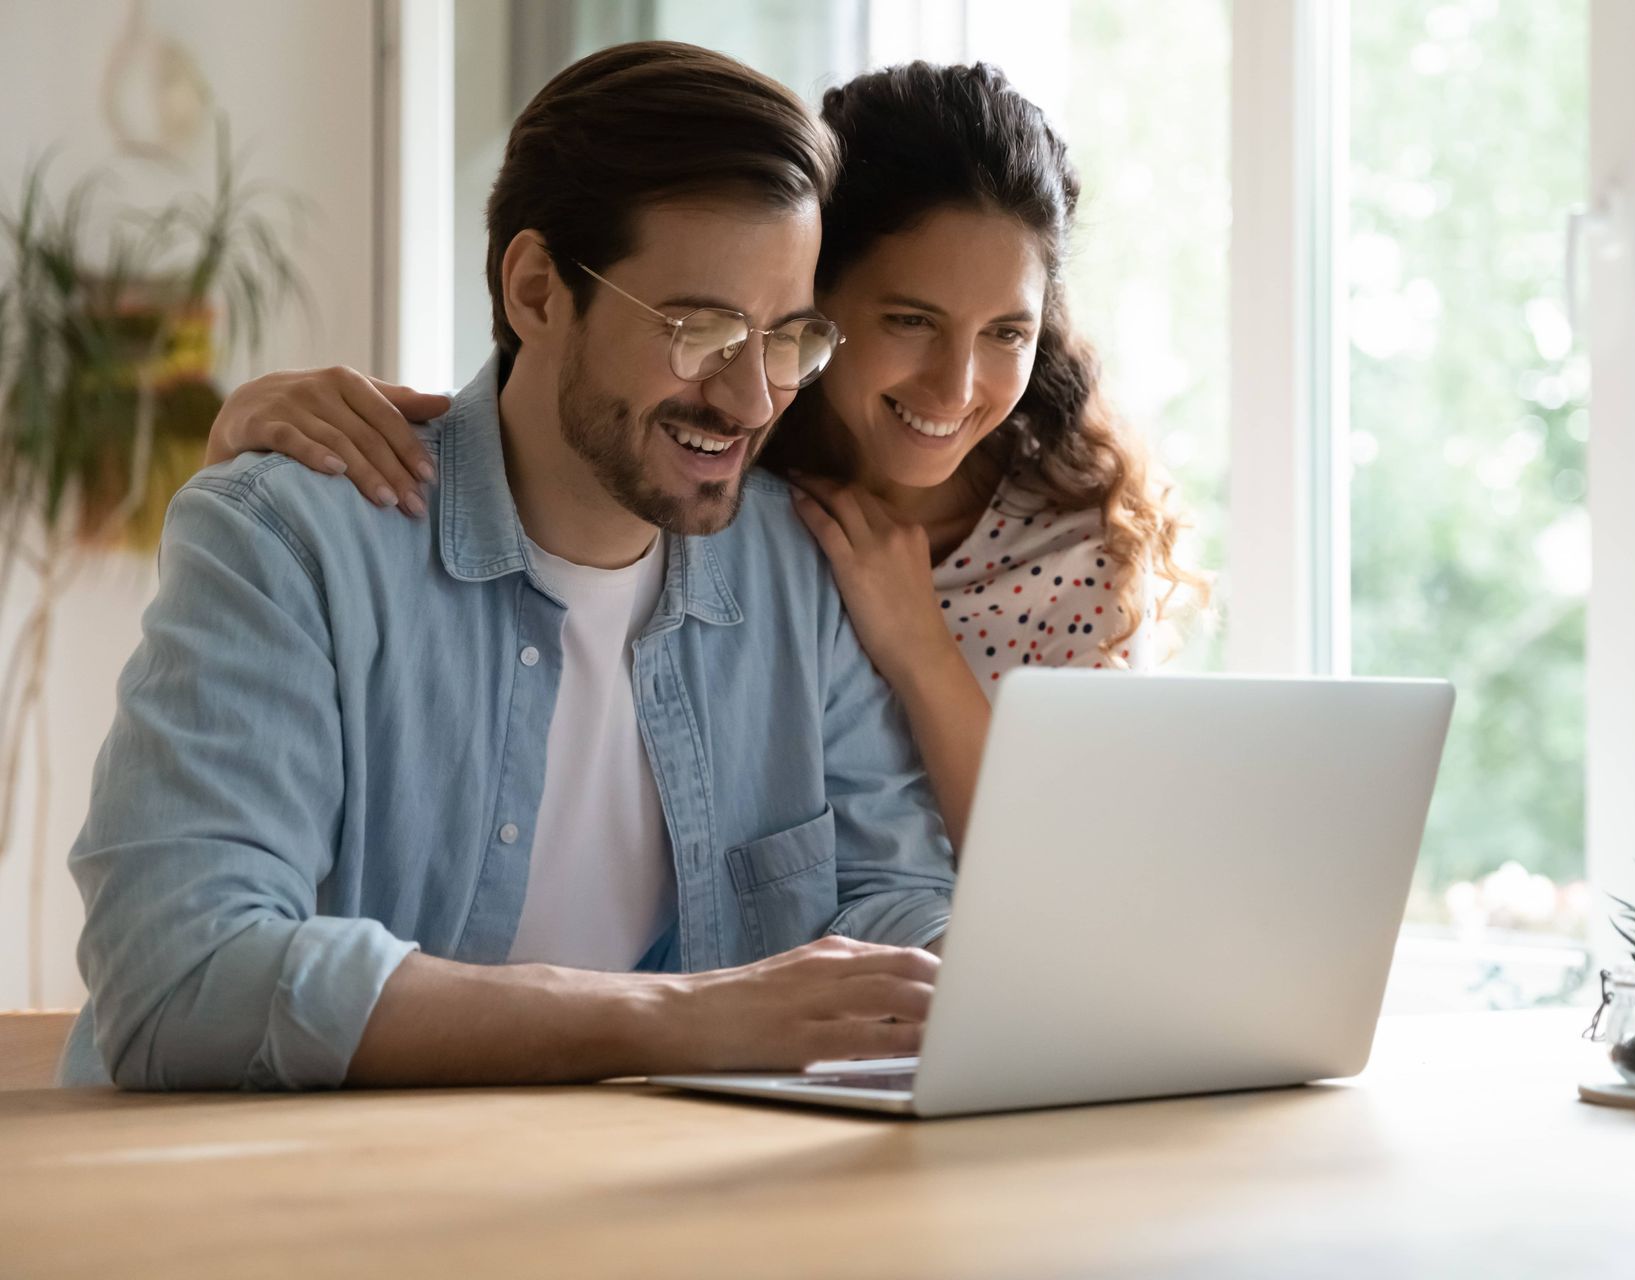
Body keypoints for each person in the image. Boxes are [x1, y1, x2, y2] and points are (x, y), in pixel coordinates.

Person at [63, 41, 954, 1092]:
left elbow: (890, 896)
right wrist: (677, 1018)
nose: (755, 399)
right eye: (701, 330)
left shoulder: (800, 570)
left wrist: (989, 981)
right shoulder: (288, 543)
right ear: (536, 289)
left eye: (789, 342)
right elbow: (181, 972)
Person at [206, 62, 1206, 850]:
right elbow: (565, 398)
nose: (955, 388)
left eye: (1008, 332)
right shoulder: (724, 473)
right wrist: (249, 422)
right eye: (908, 319)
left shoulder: (1070, 550)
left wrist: (918, 645)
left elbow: (1080, 882)